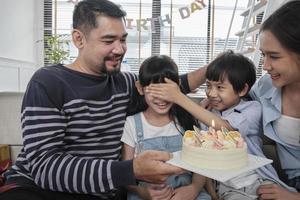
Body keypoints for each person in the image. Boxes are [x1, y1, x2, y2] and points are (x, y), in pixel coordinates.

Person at [0, 0, 207, 199]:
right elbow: (45, 168)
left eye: (123, 39)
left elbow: (172, 84)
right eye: (109, 41)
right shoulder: (48, 82)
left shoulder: (125, 83)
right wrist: (130, 170)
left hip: (99, 193)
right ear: (79, 39)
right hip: (37, 188)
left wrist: (218, 66)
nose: (120, 49)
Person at [145, 50, 295, 200]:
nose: (211, 93)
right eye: (208, 86)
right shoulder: (208, 115)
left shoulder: (252, 108)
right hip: (228, 189)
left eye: (220, 87)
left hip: (259, 181)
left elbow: (227, 129)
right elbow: (203, 162)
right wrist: (212, 193)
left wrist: (179, 96)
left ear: (242, 89)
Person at [121, 55, 212, 200]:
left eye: (166, 91)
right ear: (140, 88)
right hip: (148, 194)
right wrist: (143, 192)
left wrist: (194, 189)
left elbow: (202, 163)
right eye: (154, 91)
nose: (161, 98)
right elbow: (126, 173)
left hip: (187, 191)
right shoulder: (132, 123)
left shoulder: (187, 121)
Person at [250, 1, 300, 199]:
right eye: (263, 55)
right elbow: (239, 101)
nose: (265, 66)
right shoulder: (265, 86)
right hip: (285, 182)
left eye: (274, 56)